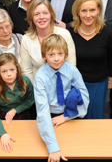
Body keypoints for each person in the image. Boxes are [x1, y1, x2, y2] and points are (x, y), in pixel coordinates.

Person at [33, 34, 89, 162]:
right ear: (44, 56)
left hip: (72, 115)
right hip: (50, 118)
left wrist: (66, 117)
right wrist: (53, 148)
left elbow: (85, 97)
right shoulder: (40, 77)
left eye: (60, 54)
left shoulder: (72, 71)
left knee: (77, 151)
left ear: (66, 54)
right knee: (56, 152)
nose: (56, 59)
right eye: (51, 55)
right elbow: (42, 111)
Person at [68, 0, 112, 119]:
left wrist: (111, 79)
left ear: (98, 10)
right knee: (76, 117)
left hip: (99, 83)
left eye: (92, 10)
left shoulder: (107, 33)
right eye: (83, 11)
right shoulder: (69, 32)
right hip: (75, 83)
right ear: (77, 12)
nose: (88, 15)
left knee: (94, 116)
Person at [0, 53, 34, 153]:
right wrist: (2, 133)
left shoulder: (26, 82)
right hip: (3, 121)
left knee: (25, 147)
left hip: (24, 118)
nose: (9, 74)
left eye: (12, 70)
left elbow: (30, 100)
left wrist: (15, 110)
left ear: (17, 69)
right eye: (4, 71)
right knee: (8, 149)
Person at [20, 0, 76, 82]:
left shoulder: (64, 34)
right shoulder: (26, 39)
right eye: (37, 14)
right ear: (31, 17)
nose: (41, 17)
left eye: (45, 13)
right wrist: (37, 91)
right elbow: (26, 70)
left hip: (63, 86)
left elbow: (71, 65)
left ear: (51, 15)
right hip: (38, 88)